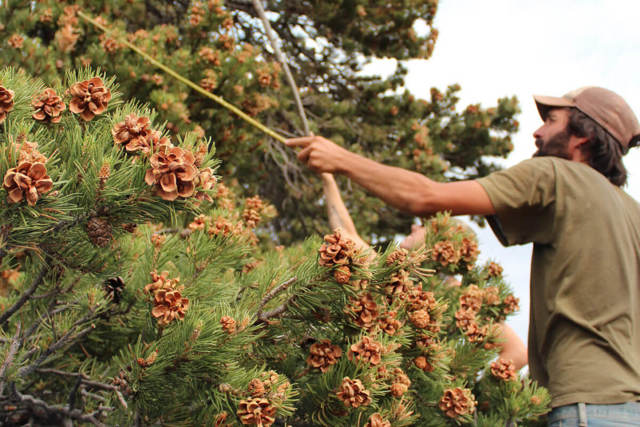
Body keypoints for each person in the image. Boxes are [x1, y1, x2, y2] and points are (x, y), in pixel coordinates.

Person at [287, 87, 640, 425]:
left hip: (586, 407)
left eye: (552, 121)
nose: (537, 131)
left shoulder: (558, 174)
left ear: (583, 136)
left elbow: (425, 196)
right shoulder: (633, 214)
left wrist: (340, 159)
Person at [320, 172, 529, 370]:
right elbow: (345, 232)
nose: (413, 228)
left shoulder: (462, 300)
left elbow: (517, 352)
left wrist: (465, 383)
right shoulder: (390, 277)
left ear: (443, 243)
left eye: (423, 226)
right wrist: (327, 177)